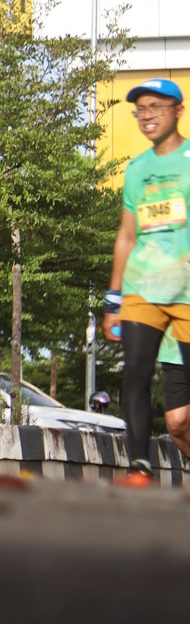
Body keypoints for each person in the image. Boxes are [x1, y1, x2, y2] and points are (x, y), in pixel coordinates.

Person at [102, 78, 190, 487]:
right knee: (135, 374)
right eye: (141, 109)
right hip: (142, 287)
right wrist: (113, 299)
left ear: (178, 111)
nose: (147, 116)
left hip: (186, 289)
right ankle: (139, 467)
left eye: (156, 107)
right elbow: (126, 236)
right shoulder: (137, 168)